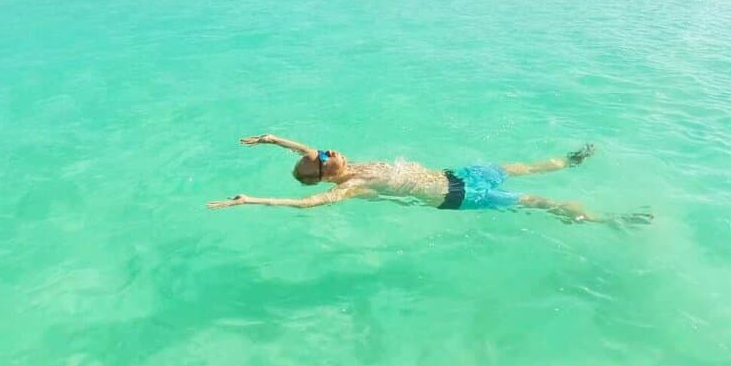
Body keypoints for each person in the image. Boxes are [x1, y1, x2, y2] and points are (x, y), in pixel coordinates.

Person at [207, 134, 652, 224]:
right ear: (327, 174)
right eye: (324, 156)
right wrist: (252, 200)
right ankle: (607, 219)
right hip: (456, 198)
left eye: (322, 150)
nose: (326, 150)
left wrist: (272, 140)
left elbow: (305, 154)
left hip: (453, 175)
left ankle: (572, 161)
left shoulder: (347, 163)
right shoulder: (350, 186)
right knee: (536, 201)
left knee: (521, 167)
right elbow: (305, 204)